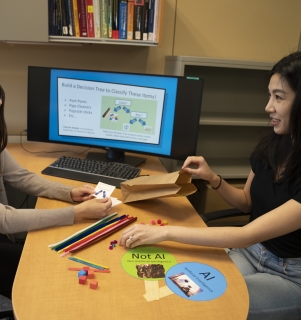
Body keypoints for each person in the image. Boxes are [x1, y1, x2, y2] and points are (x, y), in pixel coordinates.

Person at [119, 51, 301, 320]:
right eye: (269, 95)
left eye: (279, 97)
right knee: (177, 286)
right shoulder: (273, 144)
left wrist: (164, 232)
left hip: (290, 275)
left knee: (208, 304)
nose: (268, 107)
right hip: (251, 253)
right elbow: (246, 202)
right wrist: (212, 178)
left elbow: (245, 234)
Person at [0, 64, 112, 300]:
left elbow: (21, 177)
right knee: (43, 274)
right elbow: (4, 219)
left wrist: (69, 192)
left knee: (45, 258)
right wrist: (77, 213)